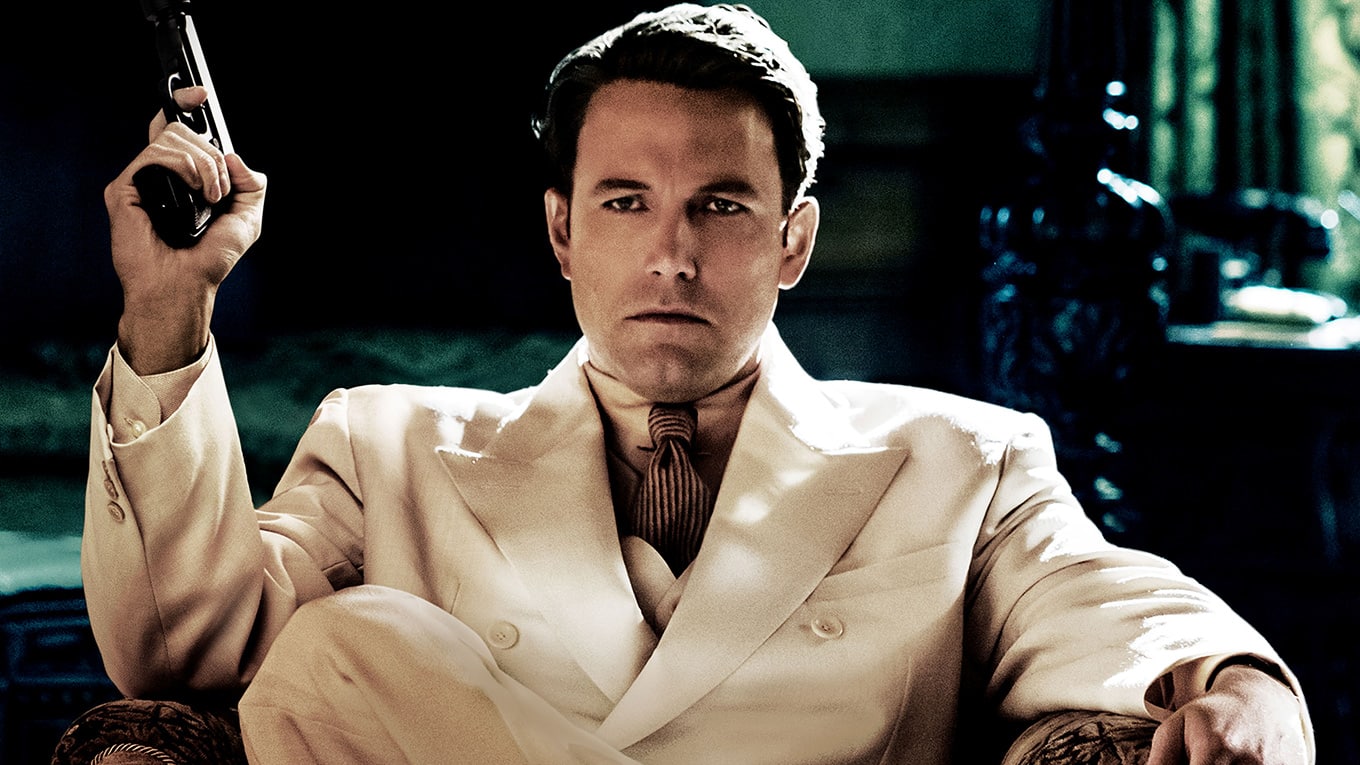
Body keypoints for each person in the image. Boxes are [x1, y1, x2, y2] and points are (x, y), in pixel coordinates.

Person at [83, 4, 1313, 763]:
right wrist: (168, 307)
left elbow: (1109, 603)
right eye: (627, 203)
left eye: (720, 206)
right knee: (342, 649)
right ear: (562, 231)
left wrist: (1241, 682)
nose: (671, 253)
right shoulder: (383, 444)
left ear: (794, 241)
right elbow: (182, 653)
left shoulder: (962, 459)